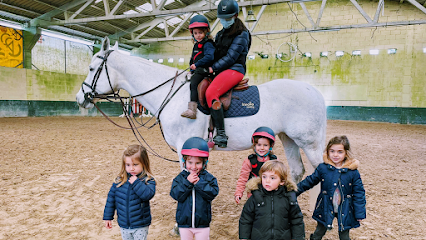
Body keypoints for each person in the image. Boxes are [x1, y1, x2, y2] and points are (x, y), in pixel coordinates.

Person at [297, 135, 366, 240]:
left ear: (346, 153)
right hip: (326, 205)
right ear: (328, 151)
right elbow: (310, 181)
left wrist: (359, 212)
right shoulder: (323, 168)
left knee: (344, 235)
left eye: (339, 152)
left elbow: (359, 193)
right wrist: (294, 190)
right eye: (332, 151)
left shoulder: (352, 172)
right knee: (319, 231)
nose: (335, 155)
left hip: (345, 207)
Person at [206, 0, 251, 148]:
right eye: (222, 18)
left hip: (235, 69)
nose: (224, 21)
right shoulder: (220, 34)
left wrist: (213, 68)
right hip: (221, 69)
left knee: (211, 92)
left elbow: (231, 57)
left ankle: (221, 134)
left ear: (235, 16)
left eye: (227, 18)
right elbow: (215, 54)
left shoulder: (242, 34)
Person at [239, 160, 305, 240]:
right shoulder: (256, 197)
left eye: (272, 178)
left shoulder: (289, 198)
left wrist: (298, 237)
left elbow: (296, 220)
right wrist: (244, 237)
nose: (267, 181)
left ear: (282, 182)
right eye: (264, 177)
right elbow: (246, 219)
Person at [170, 137, 219, 240]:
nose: (193, 167)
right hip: (184, 224)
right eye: (190, 162)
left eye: (198, 163)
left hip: (202, 224)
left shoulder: (208, 178)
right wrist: (187, 183)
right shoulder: (181, 178)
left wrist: (199, 183)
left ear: (204, 163)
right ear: (184, 161)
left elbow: (213, 193)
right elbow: (175, 194)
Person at [103, 145, 156, 240]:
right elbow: (111, 199)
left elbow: (148, 195)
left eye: (135, 164)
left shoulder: (147, 180)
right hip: (123, 224)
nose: (131, 168)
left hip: (140, 225)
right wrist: (108, 217)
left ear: (144, 163)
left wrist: (136, 183)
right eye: (128, 165)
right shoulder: (120, 180)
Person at [181, 15, 215, 119]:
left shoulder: (208, 44)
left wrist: (196, 65)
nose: (198, 35)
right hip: (197, 69)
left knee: (194, 82)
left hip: (205, 70)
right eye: (195, 33)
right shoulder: (196, 45)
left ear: (206, 32)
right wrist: (191, 70)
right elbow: (192, 59)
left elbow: (210, 57)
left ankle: (192, 110)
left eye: (200, 33)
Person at [234, 126, 278, 204]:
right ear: (254, 145)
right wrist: (239, 193)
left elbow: (280, 177)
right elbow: (243, 178)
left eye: (265, 145)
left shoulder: (274, 161)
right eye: (259, 145)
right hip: (254, 193)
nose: (262, 148)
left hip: (270, 192)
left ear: (271, 146)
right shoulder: (249, 161)